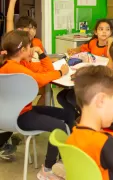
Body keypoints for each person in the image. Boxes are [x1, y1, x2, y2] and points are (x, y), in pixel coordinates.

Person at [0, 30, 72, 179]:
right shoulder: (15, 68)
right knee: (58, 126)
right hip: (19, 116)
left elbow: (46, 71)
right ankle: (47, 169)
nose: (32, 49)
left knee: (67, 114)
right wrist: (60, 72)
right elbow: (40, 79)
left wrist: (42, 55)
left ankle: (64, 158)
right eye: (30, 46)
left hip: (17, 112)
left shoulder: (16, 64)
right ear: (23, 50)